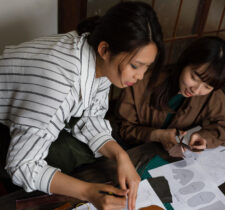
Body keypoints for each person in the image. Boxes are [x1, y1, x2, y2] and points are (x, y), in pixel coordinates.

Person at [0, 2, 164, 210]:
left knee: (83, 151)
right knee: (67, 154)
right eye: (135, 66)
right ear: (105, 49)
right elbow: (22, 165)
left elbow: (91, 116)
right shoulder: (59, 83)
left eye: (146, 68)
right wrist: (87, 191)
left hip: (27, 111)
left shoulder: (97, 57)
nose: (140, 76)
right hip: (7, 122)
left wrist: (120, 155)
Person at [116, 36, 225, 154]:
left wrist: (204, 138)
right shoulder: (142, 82)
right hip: (136, 151)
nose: (196, 90)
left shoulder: (212, 94)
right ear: (185, 62)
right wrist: (156, 135)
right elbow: (124, 129)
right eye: (194, 78)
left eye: (207, 87)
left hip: (176, 157)